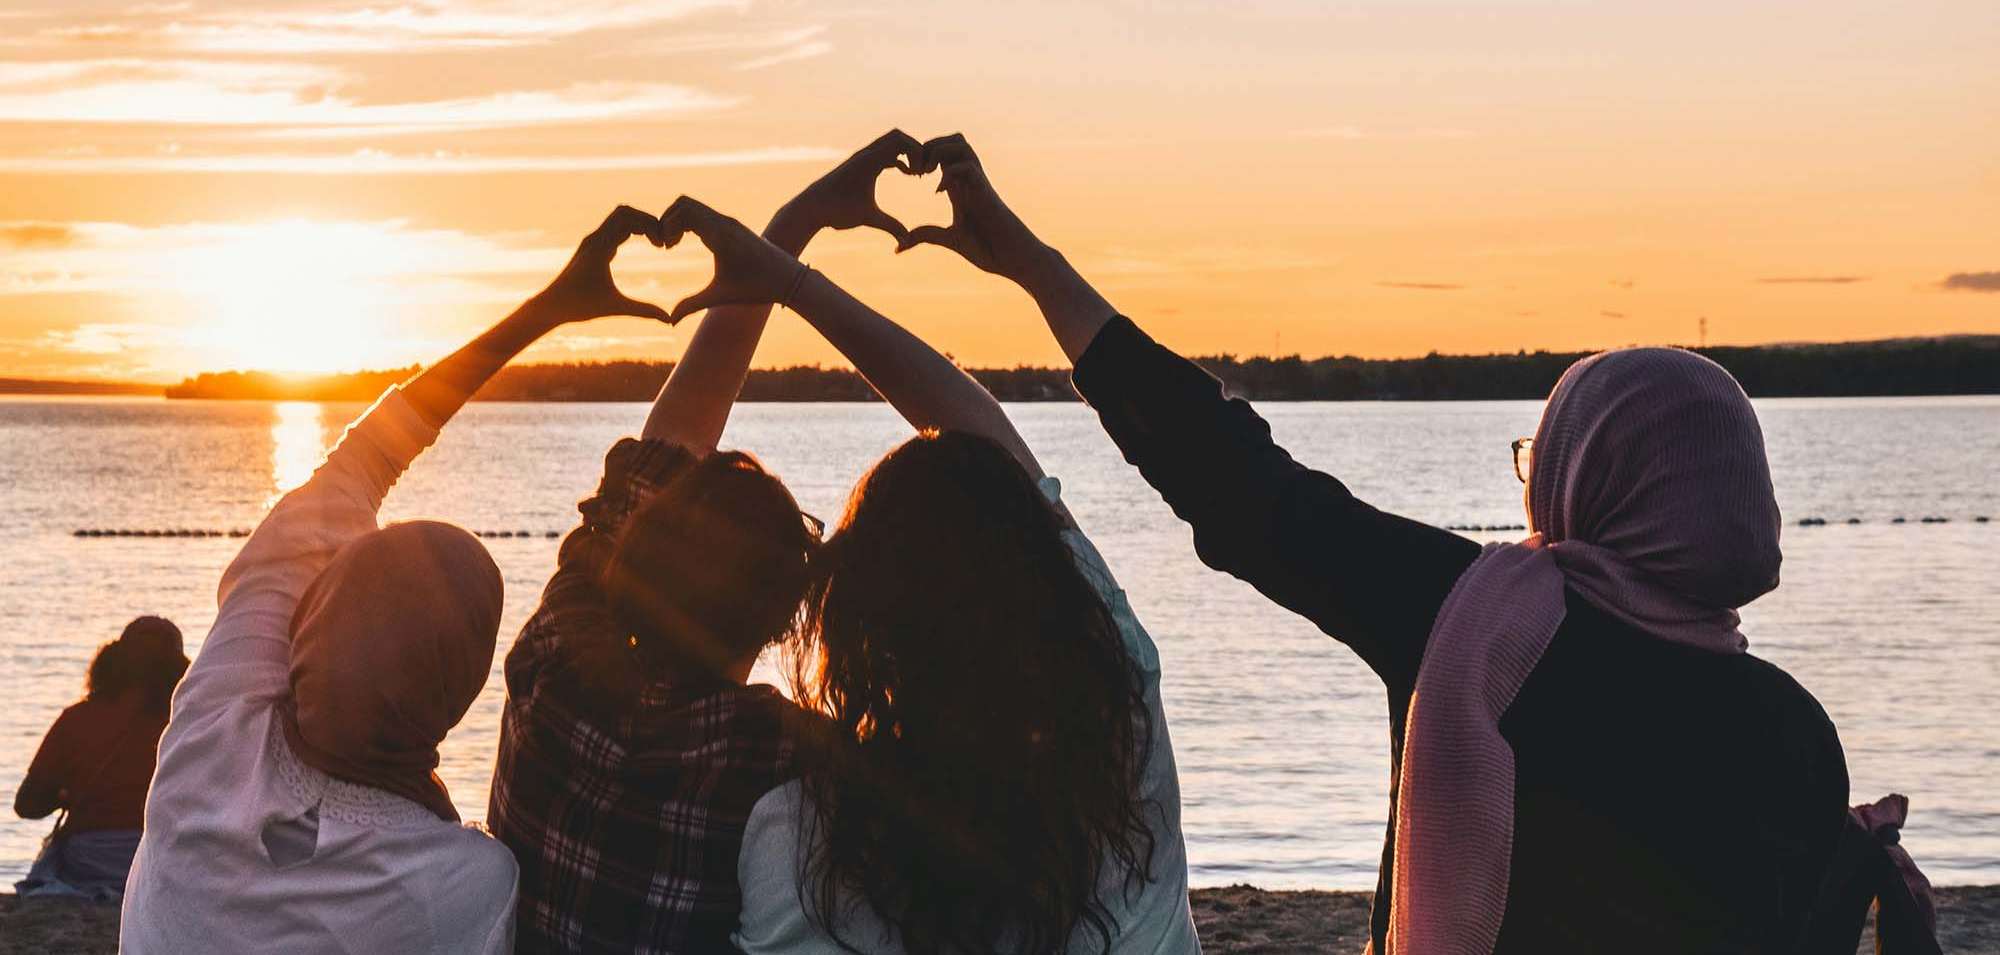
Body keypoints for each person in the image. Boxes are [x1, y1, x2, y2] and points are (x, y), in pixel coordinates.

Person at [896, 134, 1852, 954]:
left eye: (1541, 456)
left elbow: (1230, 476)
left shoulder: (1468, 619)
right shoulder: (1793, 734)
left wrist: (1032, 265)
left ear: (1592, 477)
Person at [659, 181, 1200, 954]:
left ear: (856, 620)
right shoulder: (1123, 727)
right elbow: (991, 445)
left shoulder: (796, 838)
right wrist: (791, 282)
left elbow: (653, 480)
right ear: (1040, 584)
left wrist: (785, 251)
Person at [119, 208, 675, 954]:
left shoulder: (212, 729)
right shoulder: (463, 881)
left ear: (300, 634)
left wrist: (544, 310)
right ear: (455, 700)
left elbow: (368, 456)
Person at [488, 136, 920, 952]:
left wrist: (789, 231)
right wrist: (784, 253)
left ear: (636, 555)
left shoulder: (554, 662)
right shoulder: (780, 757)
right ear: (780, 617)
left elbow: (659, 453)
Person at [13, 616, 189, 900]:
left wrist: (65, 794)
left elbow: (27, 805)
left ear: (114, 661)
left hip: (88, 859)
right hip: (160, 858)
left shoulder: (77, 719)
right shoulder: (188, 724)